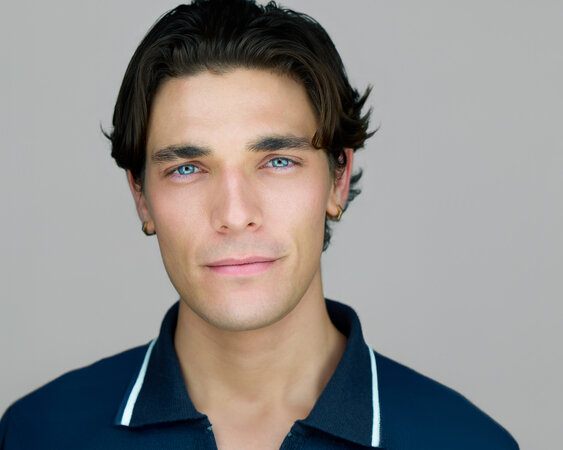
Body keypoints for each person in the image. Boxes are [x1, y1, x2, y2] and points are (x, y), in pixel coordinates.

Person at [0, 0, 519, 448]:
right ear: (142, 197)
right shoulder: (39, 433)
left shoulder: (467, 442)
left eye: (277, 161)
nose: (234, 214)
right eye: (187, 169)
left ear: (338, 179)